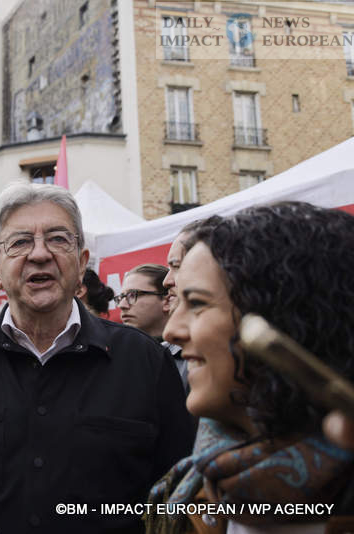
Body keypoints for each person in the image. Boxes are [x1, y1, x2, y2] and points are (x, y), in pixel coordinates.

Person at [0, 183, 194, 534]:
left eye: (58, 239)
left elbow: (184, 489)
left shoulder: (144, 362)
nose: (40, 254)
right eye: (21, 242)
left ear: (82, 262)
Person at [147, 202, 354, 534]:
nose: (172, 331)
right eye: (177, 302)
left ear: (284, 318)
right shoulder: (196, 492)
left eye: (197, 303)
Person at [115, 263, 169, 338]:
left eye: (132, 295)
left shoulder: (189, 348)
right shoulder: (115, 348)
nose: (121, 305)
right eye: (121, 297)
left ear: (167, 301)